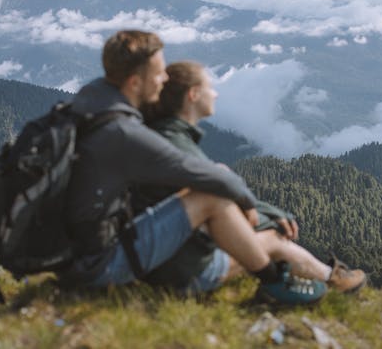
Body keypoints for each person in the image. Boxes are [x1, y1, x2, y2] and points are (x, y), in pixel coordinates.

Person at [56, 29, 328, 305]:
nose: (164, 80)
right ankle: (276, 283)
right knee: (211, 194)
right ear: (136, 81)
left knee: (215, 182)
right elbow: (205, 176)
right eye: (159, 73)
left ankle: (319, 278)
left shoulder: (91, 103)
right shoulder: (125, 133)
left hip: (75, 254)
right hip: (98, 264)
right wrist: (249, 202)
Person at [136, 61, 366, 296]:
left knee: (222, 173)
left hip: (157, 258)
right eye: (209, 87)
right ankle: (334, 281)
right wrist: (270, 217)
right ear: (193, 95)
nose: (215, 93)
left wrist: (262, 211)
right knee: (274, 239)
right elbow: (220, 195)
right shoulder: (176, 145)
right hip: (177, 275)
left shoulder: (163, 136)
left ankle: (323, 276)